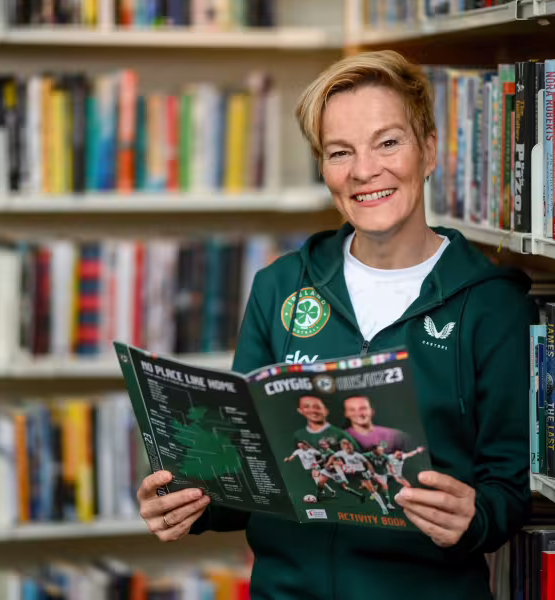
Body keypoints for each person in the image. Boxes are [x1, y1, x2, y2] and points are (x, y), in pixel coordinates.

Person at [135, 50, 534, 599]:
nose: (365, 170)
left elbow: (510, 491)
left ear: (430, 150)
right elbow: (250, 474)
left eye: (388, 142)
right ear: (324, 169)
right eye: (339, 152)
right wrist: (192, 501)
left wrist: (477, 516)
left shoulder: (491, 304)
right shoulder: (280, 286)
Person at [291, 395, 361, 451]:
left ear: (326, 410)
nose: (312, 410)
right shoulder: (298, 435)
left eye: (317, 407)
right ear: (300, 410)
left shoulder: (340, 434)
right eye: (306, 407)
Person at [343, 394, 409, 452]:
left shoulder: (394, 436)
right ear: (346, 414)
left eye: (363, 408)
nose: (359, 413)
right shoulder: (341, 437)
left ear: (372, 411)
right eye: (352, 410)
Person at [362, 443, 396, 511]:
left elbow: (390, 465)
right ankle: (388, 504)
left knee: (380, 487)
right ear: (374, 450)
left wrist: (393, 471)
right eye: (379, 450)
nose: (382, 451)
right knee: (385, 486)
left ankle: (374, 493)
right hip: (373, 473)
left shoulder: (385, 457)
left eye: (382, 450)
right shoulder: (368, 455)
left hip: (382, 473)